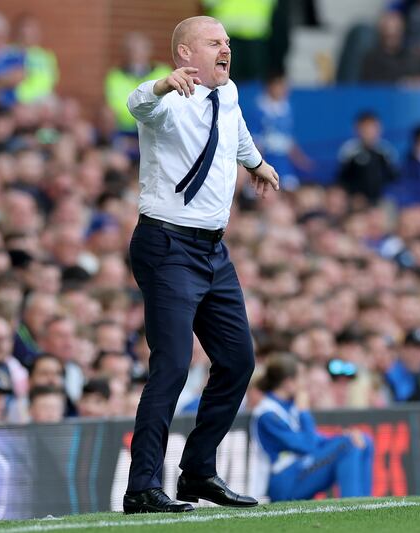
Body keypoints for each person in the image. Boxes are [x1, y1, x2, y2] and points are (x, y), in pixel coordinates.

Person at [123, 15, 279, 514]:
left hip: (213, 249)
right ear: (186, 54)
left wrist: (255, 162)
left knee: (238, 361)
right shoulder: (169, 98)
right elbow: (137, 105)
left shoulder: (227, 93)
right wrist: (158, 85)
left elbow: (234, 135)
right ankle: (142, 486)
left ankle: (198, 472)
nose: (225, 48)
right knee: (171, 365)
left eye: (227, 42)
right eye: (214, 42)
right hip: (167, 244)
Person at [249, 355, 373, 502]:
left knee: (363, 439)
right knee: (348, 444)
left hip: (298, 471)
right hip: (281, 483)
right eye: (301, 378)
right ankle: (353, 504)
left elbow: (315, 439)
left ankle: (365, 502)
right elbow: (307, 446)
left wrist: (346, 436)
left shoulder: (289, 406)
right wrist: (304, 412)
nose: (305, 384)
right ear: (288, 383)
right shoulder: (267, 414)